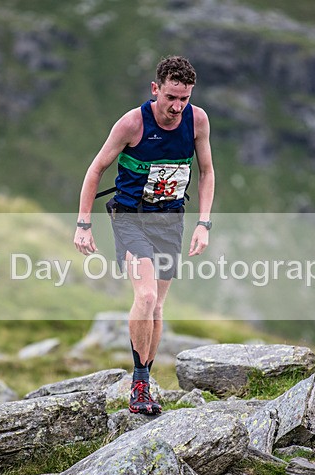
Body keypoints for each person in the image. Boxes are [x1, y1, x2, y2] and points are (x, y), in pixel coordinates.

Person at [73, 55, 215, 414]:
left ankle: (146, 383)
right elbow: (95, 170)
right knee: (147, 295)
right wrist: (83, 224)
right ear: (155, 89)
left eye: (184, 98)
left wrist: (204, 223)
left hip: (170, 221)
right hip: (130, 219)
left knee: (159, 305)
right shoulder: (132, 123)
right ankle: (138, 385)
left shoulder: (197, 121)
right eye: (170, 97)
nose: (177, 106)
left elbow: (207, 172)